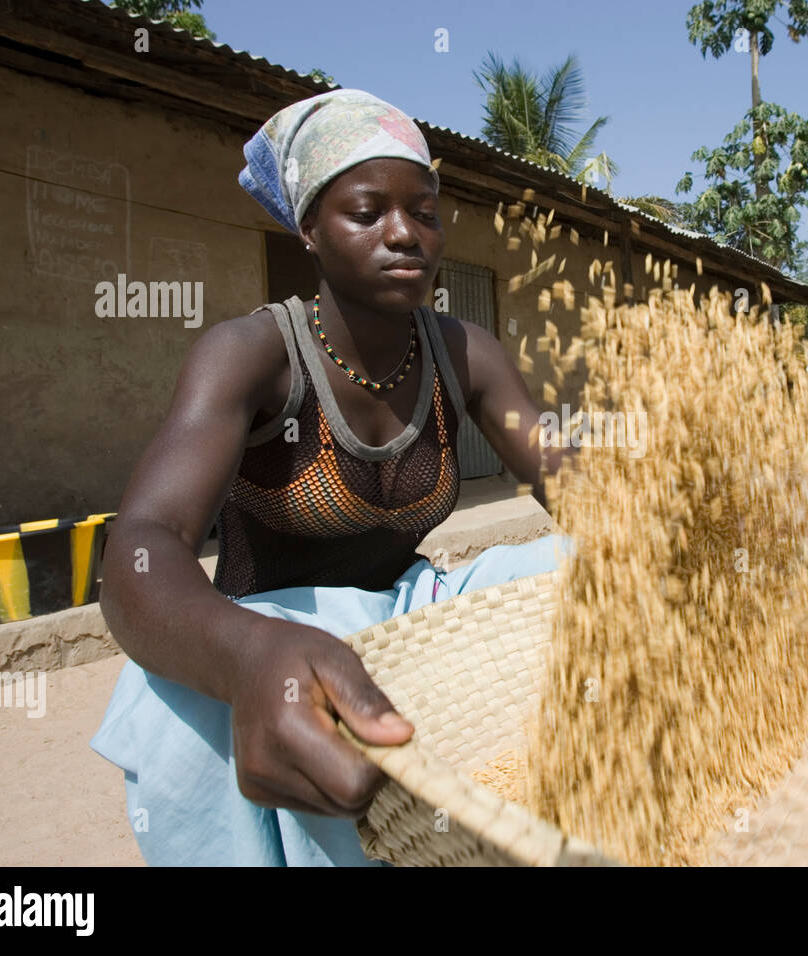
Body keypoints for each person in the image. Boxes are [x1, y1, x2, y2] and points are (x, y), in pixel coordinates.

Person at [90, 90, 574, 866]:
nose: (405, 235)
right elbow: (141, 548)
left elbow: (571, 484)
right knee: (176, 702)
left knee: (591, 570)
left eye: (424, 212)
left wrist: (675, 514)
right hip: (280, 638)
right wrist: (247, 657)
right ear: (309, 230)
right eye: (367, 212)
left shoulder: (464, 353)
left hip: (412, 617)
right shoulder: (253, 354)